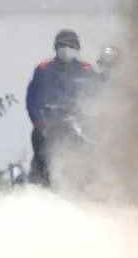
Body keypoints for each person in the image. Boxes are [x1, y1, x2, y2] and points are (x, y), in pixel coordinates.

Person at [25, 28, 94, 187]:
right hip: (48, 123)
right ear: (56, 47)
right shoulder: (43, 69)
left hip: (77, 125)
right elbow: (31, 100)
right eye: (62, 45)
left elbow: (97, 96)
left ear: (77, 48)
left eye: (70, 45)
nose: (66, 48)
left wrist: (86, 121)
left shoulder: (86, 70)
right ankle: (40, 184)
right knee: (41, 156)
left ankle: (88, 187)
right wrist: (39, 123)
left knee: (90, 158)